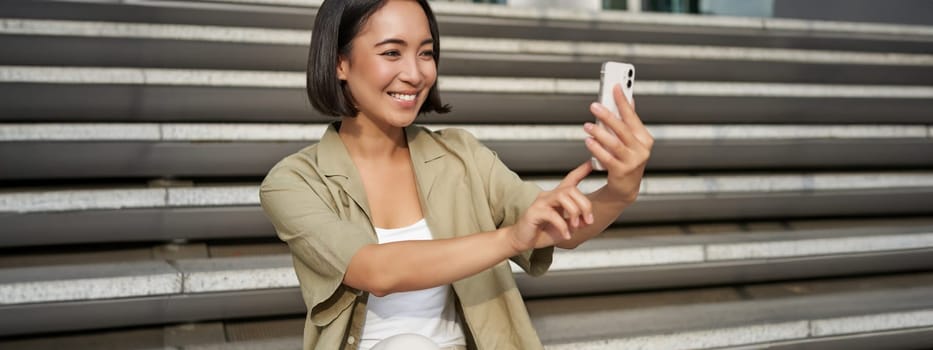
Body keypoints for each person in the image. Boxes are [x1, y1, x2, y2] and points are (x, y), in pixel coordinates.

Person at [258, 0, 654, 349]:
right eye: (392, 52)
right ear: (340, 62)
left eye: (426, 53)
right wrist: (511, 237)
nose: (415, 73)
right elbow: (377, 271)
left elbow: (556, 229)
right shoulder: (294, 181)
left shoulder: (460, 155)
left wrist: (621, 190)